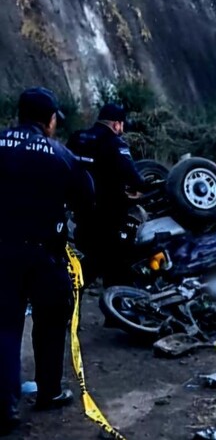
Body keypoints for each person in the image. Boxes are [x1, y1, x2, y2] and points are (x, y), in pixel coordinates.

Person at [0, 87, 95, 436]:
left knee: (5, 327)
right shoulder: (59, 154)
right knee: (52, 320)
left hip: (2, 251)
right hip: (44, 254)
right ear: (50, 120)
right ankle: (49, 391)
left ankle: (4, 404)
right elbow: (87, 196)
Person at [67, 103, 149, 288]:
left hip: (81, 214)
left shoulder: (77, 138)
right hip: (108, 216)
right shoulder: (115, 143)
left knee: (96, 258)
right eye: (122, 125)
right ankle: (115, 312)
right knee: (116, 266)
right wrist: (144, 187)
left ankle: (71, 298)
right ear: (116, 124)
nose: (122, 129)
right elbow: (132, 176)